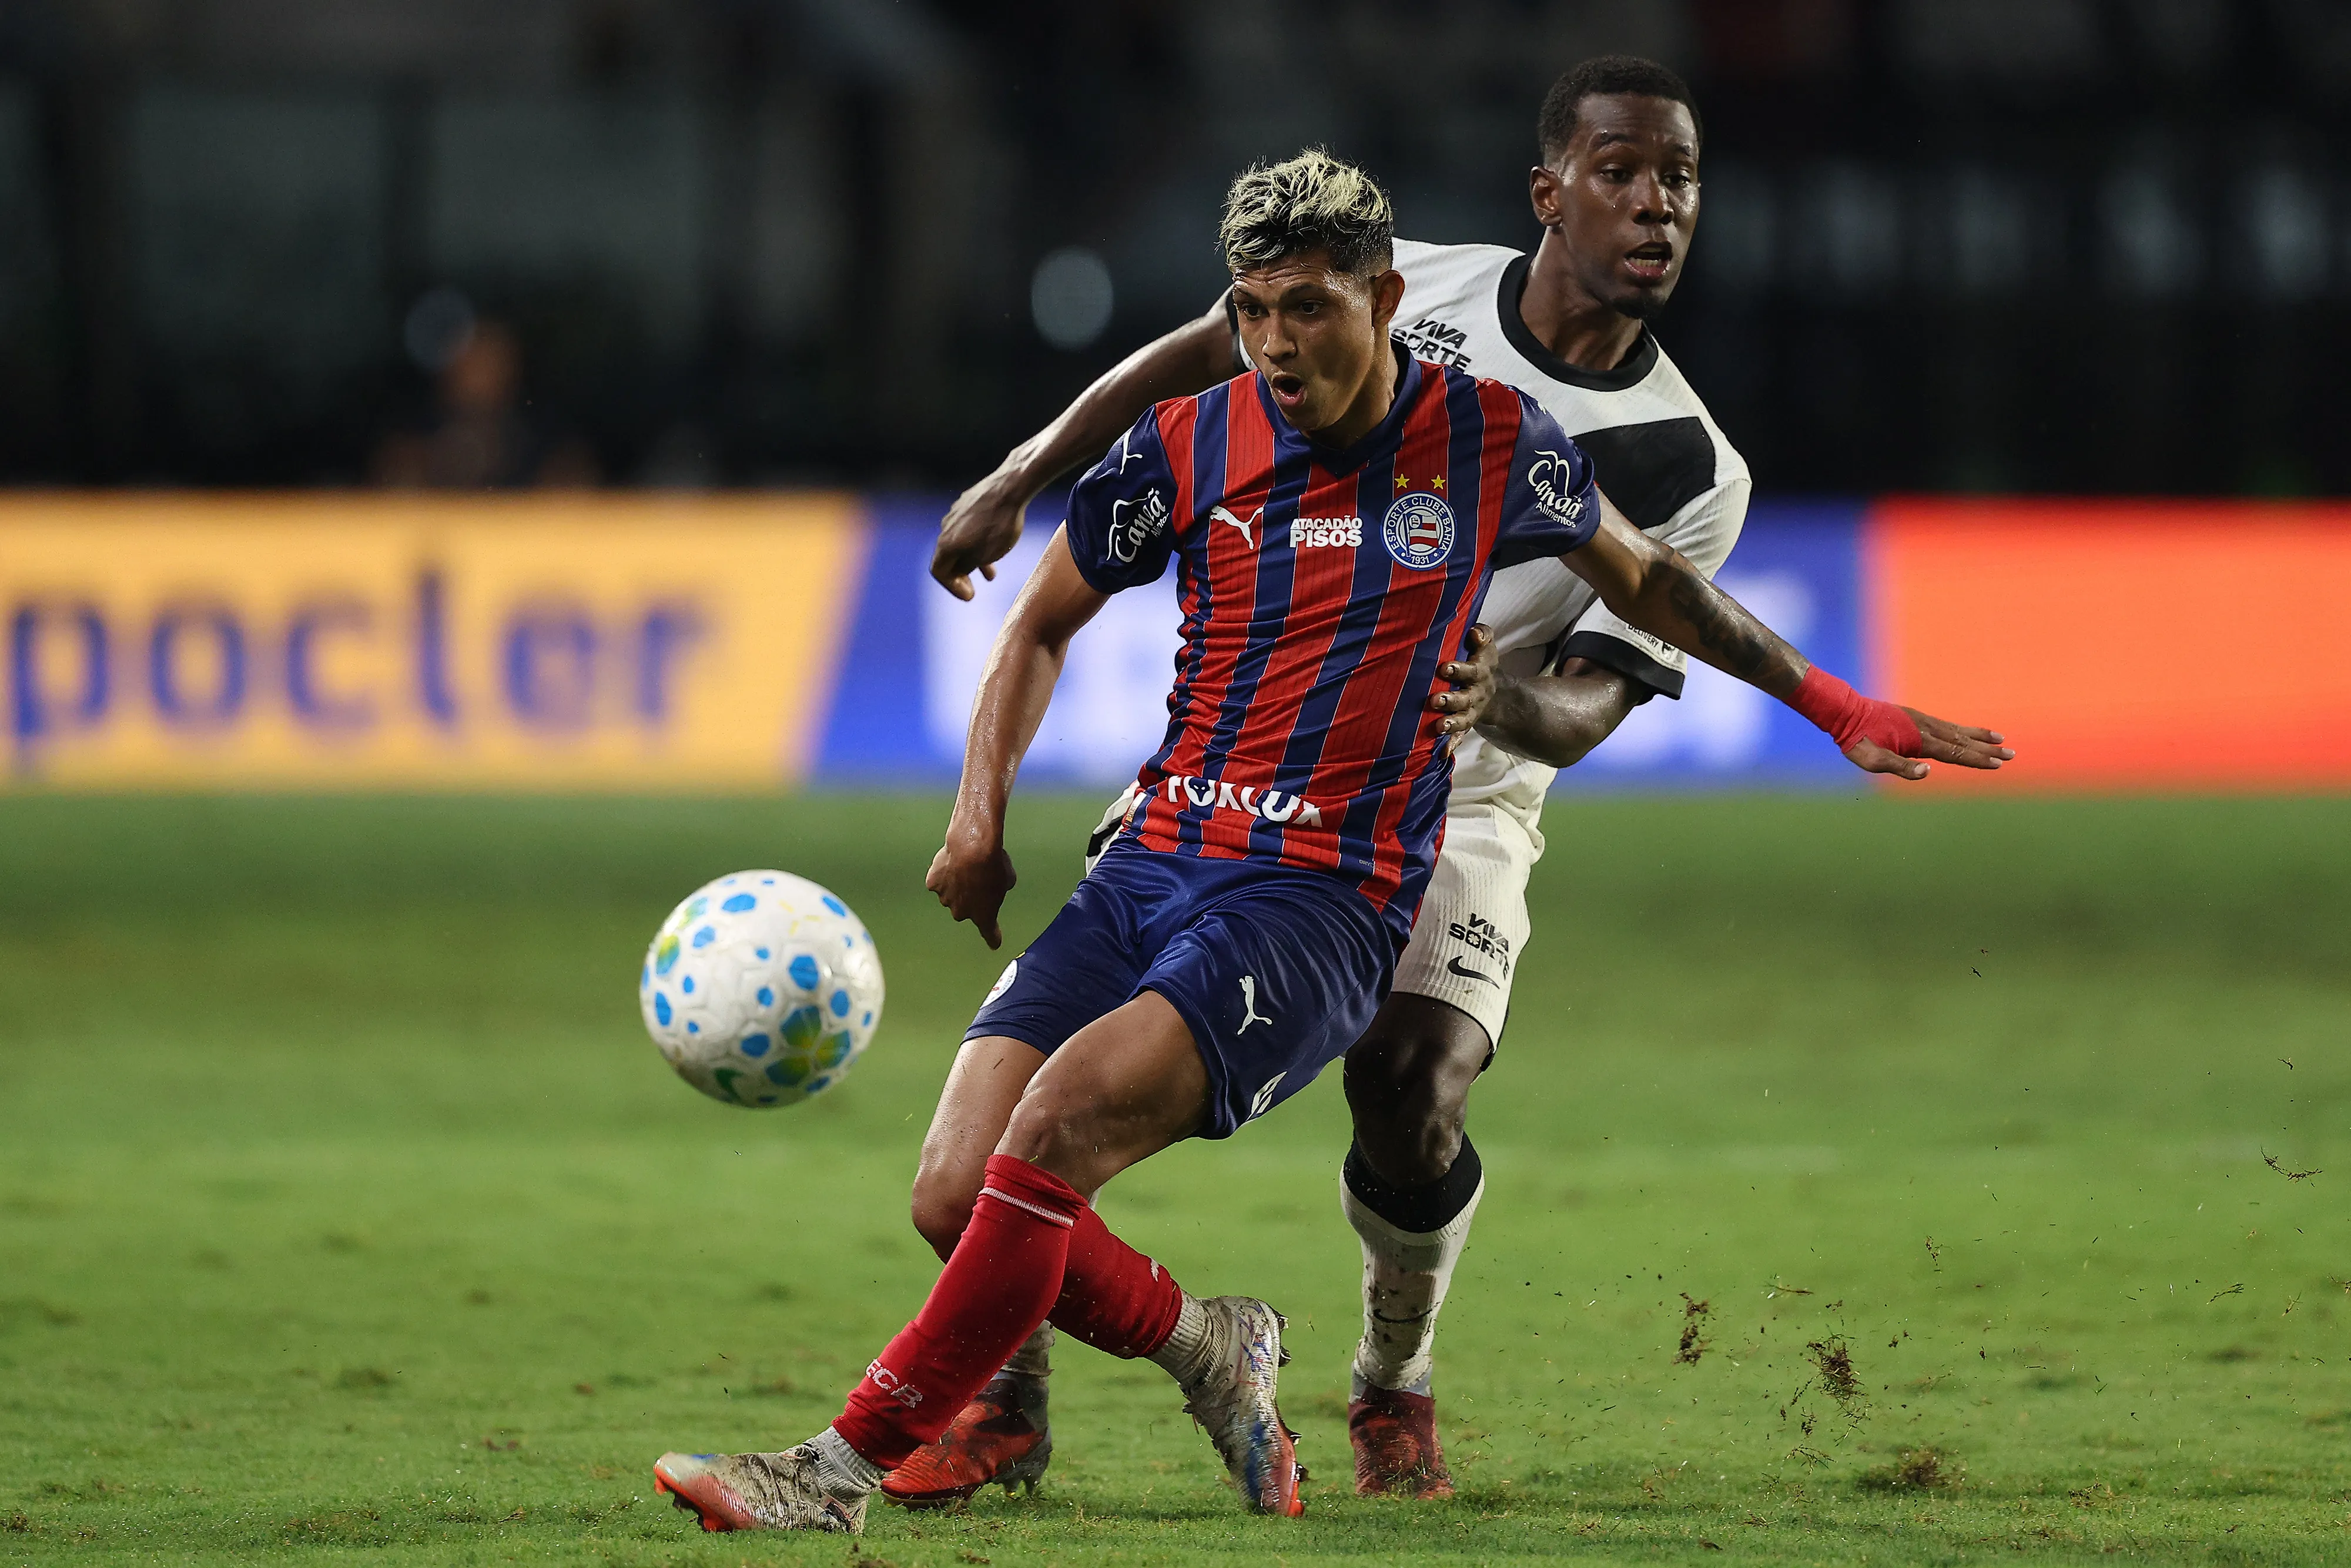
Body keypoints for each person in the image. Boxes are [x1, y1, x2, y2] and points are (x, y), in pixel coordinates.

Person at [653, 148, 1999, 1535]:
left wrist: (1840, 708)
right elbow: (1041, 621)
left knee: (1054, 1134)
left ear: (1383, 297)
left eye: (1307, 308)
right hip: (1152, 856)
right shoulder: (1191, 442)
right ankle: (1209, 1346)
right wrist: (976, 813)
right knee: (951, 1189)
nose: (1276, 344)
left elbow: (1655, 586)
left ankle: (832, 1469)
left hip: (1318, 899)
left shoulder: (1490, 442)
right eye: (1251, 311)